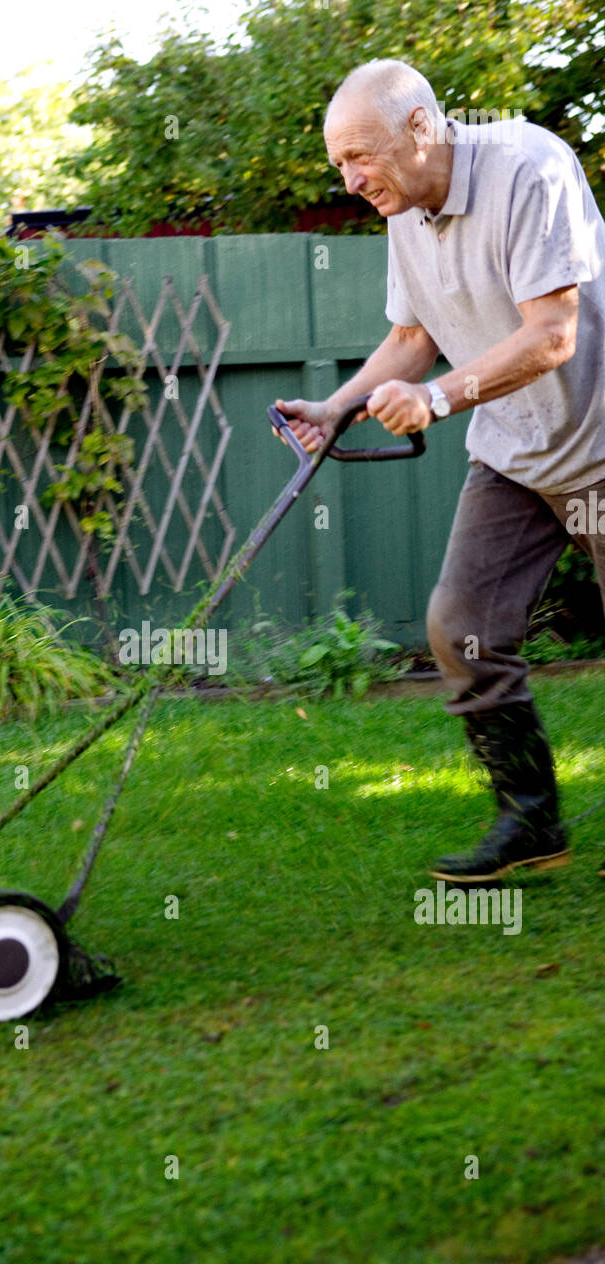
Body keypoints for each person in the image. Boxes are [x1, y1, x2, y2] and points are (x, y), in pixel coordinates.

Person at [275, 58, 605, 884]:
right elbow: (413, 337)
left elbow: (554, 334)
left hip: (600, 442)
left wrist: (439, 399)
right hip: (516, 454)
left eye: (362, 157)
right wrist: (335, 409)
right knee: (459, 626)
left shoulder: (529, 169)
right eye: (338, 164)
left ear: (421, 127)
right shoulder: (405, 207)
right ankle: (531, 819)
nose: (351, 180)